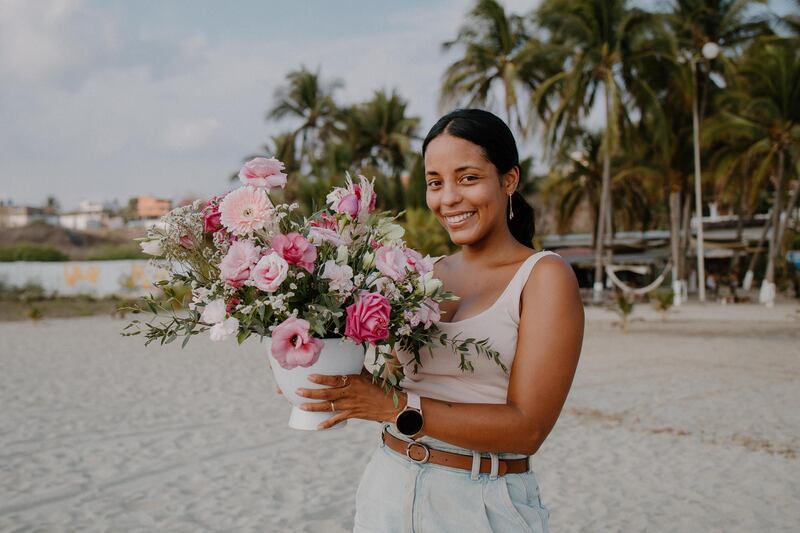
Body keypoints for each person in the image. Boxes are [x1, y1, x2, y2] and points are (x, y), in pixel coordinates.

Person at [294, 108, 584, 532]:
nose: (448, 198)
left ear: (508, 180)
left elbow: (528, 428)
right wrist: (314, 361)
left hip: (480, 499)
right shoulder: (422, 274)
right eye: (435, 183)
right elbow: (388, 383)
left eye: (468, 178)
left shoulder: (543, 277)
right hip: (388, 487)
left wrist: (392, 407)